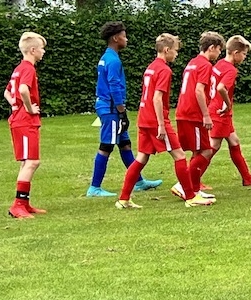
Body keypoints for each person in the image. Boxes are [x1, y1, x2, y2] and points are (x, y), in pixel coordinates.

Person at [117, 34, 209, 209]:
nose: (176, 54)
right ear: (167, 50)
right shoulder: (164, 70)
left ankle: (124, 198)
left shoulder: (151, 67)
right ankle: (190, 197)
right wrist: (161, 124)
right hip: (155, 120)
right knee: (179, 155)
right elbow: (157, 98)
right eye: (175, 51)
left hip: (144, 118)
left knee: (141, 157)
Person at [88, 22, 161, 197]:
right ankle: (94, 188)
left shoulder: (106, 57)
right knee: (106, 146)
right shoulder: (113, 60)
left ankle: (139, 181)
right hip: (111, 108)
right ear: (116, 38)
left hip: (109, 107)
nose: (126, 39)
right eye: (124, 36)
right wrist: (121, 111)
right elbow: (114, 86)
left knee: (125, 144)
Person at [205, 35, 251, 187]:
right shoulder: (230, 69)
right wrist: (227, 103)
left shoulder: (219, 64)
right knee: (213, 147)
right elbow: (221, 88)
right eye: (244, 54)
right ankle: (191, 178)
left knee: (234, 141)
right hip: (220, 112)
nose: (244, 57)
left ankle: (247, 178)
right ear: (236, 53)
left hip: (215, 108)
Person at [175, 31, 225, 199]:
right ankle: (184, 186)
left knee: (198, 151)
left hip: (184, 111)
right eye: (219, 49)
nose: (219, 53)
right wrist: (206, 115)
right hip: (193, 114)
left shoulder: (192, 63)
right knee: (206, 151)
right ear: (211, 48)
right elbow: (198, 90)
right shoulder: (205, 65)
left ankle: (194, 189)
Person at [4, 31, 47, 219]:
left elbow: (7, 92)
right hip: (25, 121)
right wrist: (29, 109)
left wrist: (15, 106)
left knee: (26, 161)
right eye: (42, 48)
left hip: (18, 120)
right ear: (33, 50)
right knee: (32, 162)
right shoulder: (28, 68)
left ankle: (24, 203)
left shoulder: (18, 69)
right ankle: (18, 205)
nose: (43, 52)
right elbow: (22, 90)